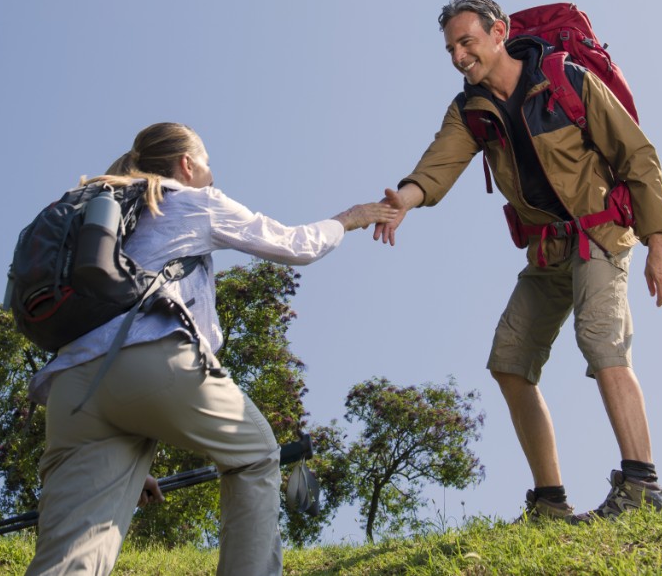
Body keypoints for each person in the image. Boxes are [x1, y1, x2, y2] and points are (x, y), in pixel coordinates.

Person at [25, 122, 394, 575]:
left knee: (73, 555)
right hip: (148, 359)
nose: (211, 174)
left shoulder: (113, 214)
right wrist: (350, 218)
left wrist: (123, 462)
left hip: (71, 388)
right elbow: (296, 245)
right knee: (257, 455)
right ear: (187, 164)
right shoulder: (192, 201)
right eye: (207, 163)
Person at [374, 0, 662, 523]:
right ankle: (550, 503)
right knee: (510, 362)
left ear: (499, 32)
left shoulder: (565, 80)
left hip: (600, 233)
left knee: (601, 341)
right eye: (450, 48)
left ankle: (641, 487)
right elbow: (438, 164)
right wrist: (404, 198)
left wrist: (660, 243)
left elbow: (638, 156)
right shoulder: (470, 110)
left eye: (467, 42)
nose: (458, 57)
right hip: (547, 248)